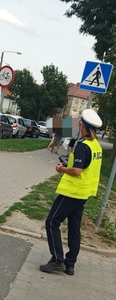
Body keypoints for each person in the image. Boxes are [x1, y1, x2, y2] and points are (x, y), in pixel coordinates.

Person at [39, 109, 103, 276]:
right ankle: (70, 264)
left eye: (80, 123)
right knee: (74, 228)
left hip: (72, 192)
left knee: (52, 222)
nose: (79, 126)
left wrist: (62, 169)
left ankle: (57, 260)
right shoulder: (96, 146)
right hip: (84, 194)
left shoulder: (83, 146)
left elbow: (77, 171)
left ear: (84, 126)